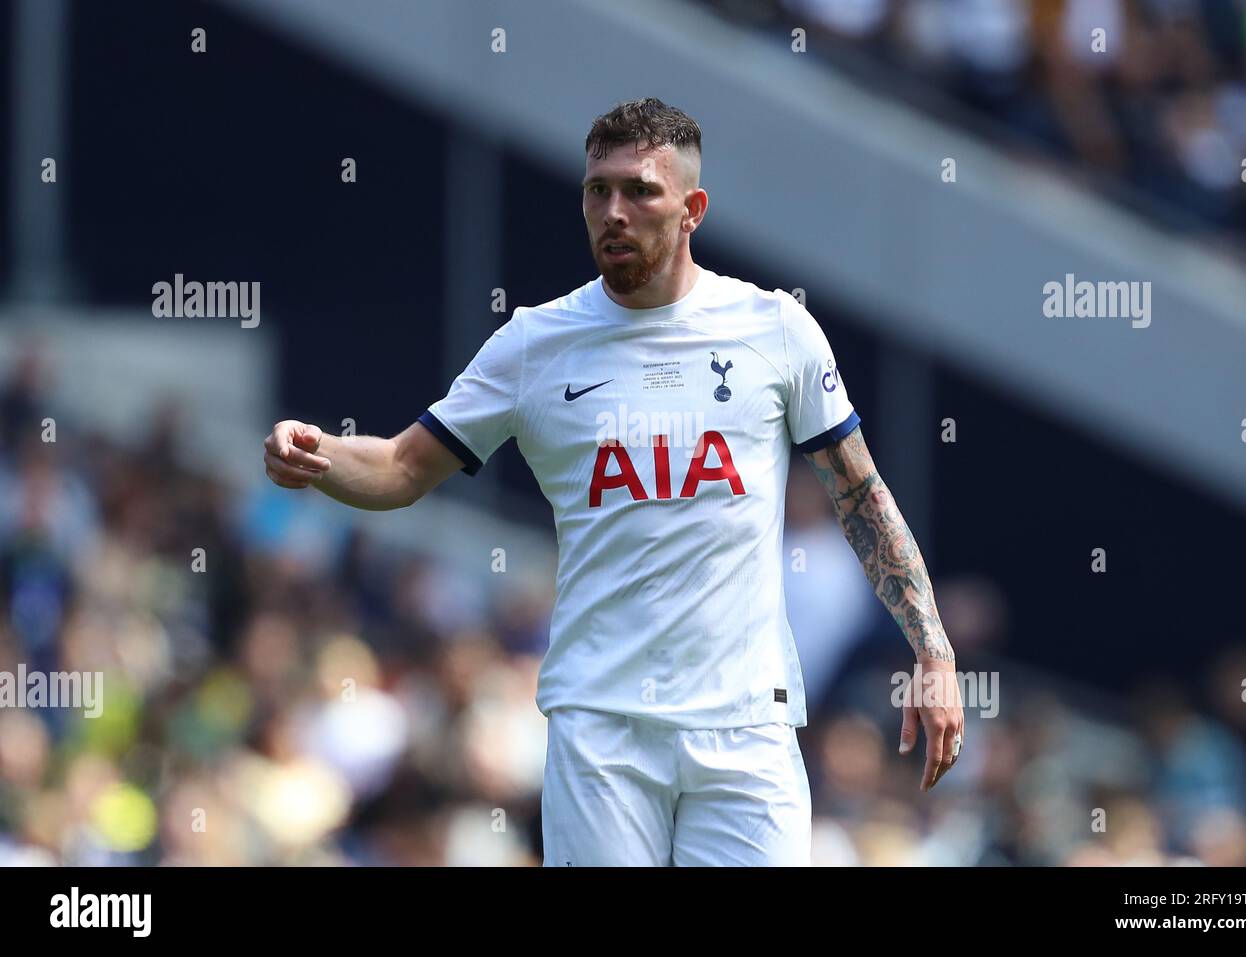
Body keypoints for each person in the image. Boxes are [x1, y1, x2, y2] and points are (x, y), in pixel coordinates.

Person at [262, 97, 963, 866]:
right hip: (601, 728)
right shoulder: (535, 343)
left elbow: (858, 492)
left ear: (693, 208)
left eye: (640, 190)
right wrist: (320, 454)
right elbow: (401, 468)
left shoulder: (775, 330)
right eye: (597, 190)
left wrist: (932, 648)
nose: (613, 211)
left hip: (746, 726)